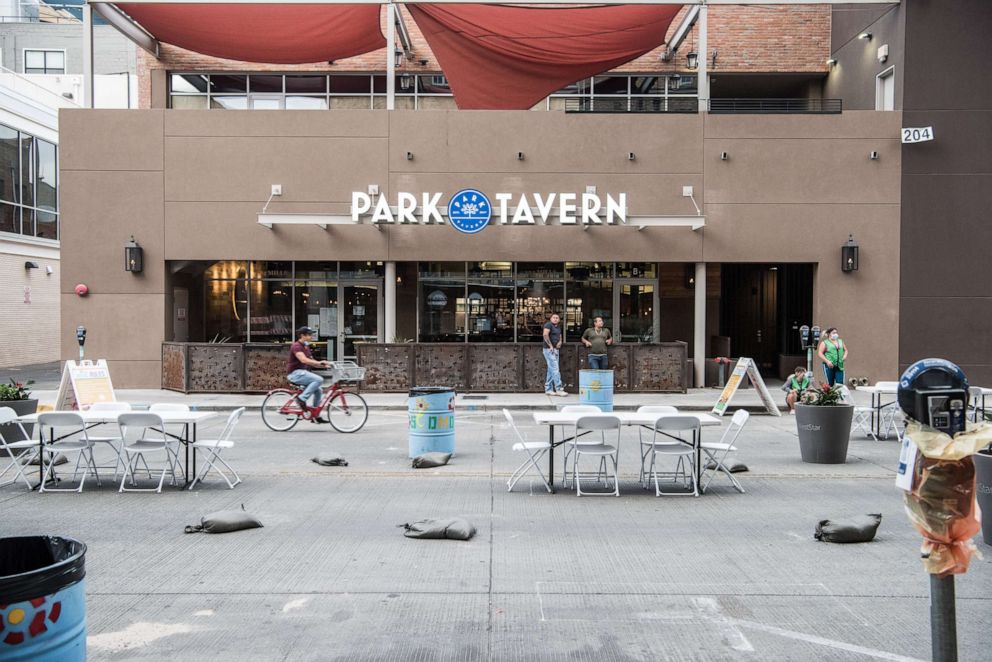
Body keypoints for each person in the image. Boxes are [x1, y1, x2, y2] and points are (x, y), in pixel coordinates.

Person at [287, 326, 331, 422]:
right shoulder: (296, 346)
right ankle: (302, 399)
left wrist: (323, 365)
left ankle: (315, 415)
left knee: (318, 390)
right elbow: (303, 360)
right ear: (302, 335)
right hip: (295, 373)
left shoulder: (305, 346)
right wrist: (319, 363)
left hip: (303, 373)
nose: (311, 337)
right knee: (319, 379)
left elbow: (311, 361)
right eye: (309, 335)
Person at [542, 313, 567, 396]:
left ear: (559, 320)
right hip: (549, 350)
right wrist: (550, 346)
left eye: (557, 318)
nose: (555, 319)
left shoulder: (558, 327)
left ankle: (548, 389)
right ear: (551, 319)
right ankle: (559, 389)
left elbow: (560, 335)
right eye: (554, 317)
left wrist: (560, 341)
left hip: (556, 350)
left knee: (551, 369)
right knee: (555, 368)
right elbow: (545, 335)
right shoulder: (548, 325)